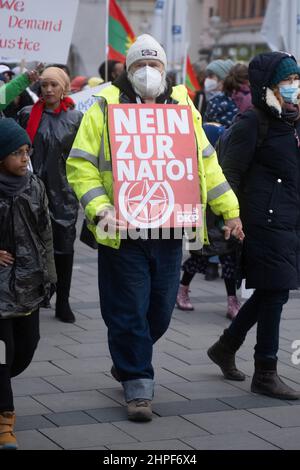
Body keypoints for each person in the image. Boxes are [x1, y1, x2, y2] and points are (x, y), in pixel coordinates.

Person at [67, 34, 244, 422]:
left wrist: (229, 210)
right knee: (128, 308)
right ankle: (137, 384)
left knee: (160, 311)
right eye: (139, 66)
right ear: (127, 70)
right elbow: (80, 166)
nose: (148, 73)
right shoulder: (103, 106)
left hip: (168, 229)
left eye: (155, 65)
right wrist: (100, 209)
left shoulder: (183, 109)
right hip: (122, 230)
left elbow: (207, 165)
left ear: (165, 70)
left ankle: (130, 356)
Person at [207, 52, 300, 400]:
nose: (293, 87)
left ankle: (226, 345)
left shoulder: (291, 121)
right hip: (261, 221)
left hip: (289, 219)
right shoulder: (252, 121)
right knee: (275, 291)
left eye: (296, 81)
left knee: (270, 290)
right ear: (267, 86)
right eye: (286, 82)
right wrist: (229, 216)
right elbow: (227, 171)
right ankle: (266, 371)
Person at [0, 118, 56, 450]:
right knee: (2, 355)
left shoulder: (34, 186)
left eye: (26, 151)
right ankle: (5, 421)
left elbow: (45, 232)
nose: (24, 158)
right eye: (17, 153)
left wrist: (50, 276)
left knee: (25, 349)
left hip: (28, 283)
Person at [19, 67, 83, 324]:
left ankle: (63, 300)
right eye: (44, 85)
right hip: (31, 191)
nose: (48, 90)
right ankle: (40, 293)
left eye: (54, 85)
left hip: (64, 194)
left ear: (64, 87)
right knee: (33, 246)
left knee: (64, 249)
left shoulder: (76, 117)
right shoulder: (27, 114)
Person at [176, 122, 241, 320]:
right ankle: (182, 290)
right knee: (198, 258)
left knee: (228, 260)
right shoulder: (191, 165)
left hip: (221, 222)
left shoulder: (222, 165)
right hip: (201, 222)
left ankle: (232, 300)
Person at [204, 59, 237, 127]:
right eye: (206, 76)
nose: (207, 80)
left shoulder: (216, 102)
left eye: (211, 76)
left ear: (222, 80)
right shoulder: (208, 98)